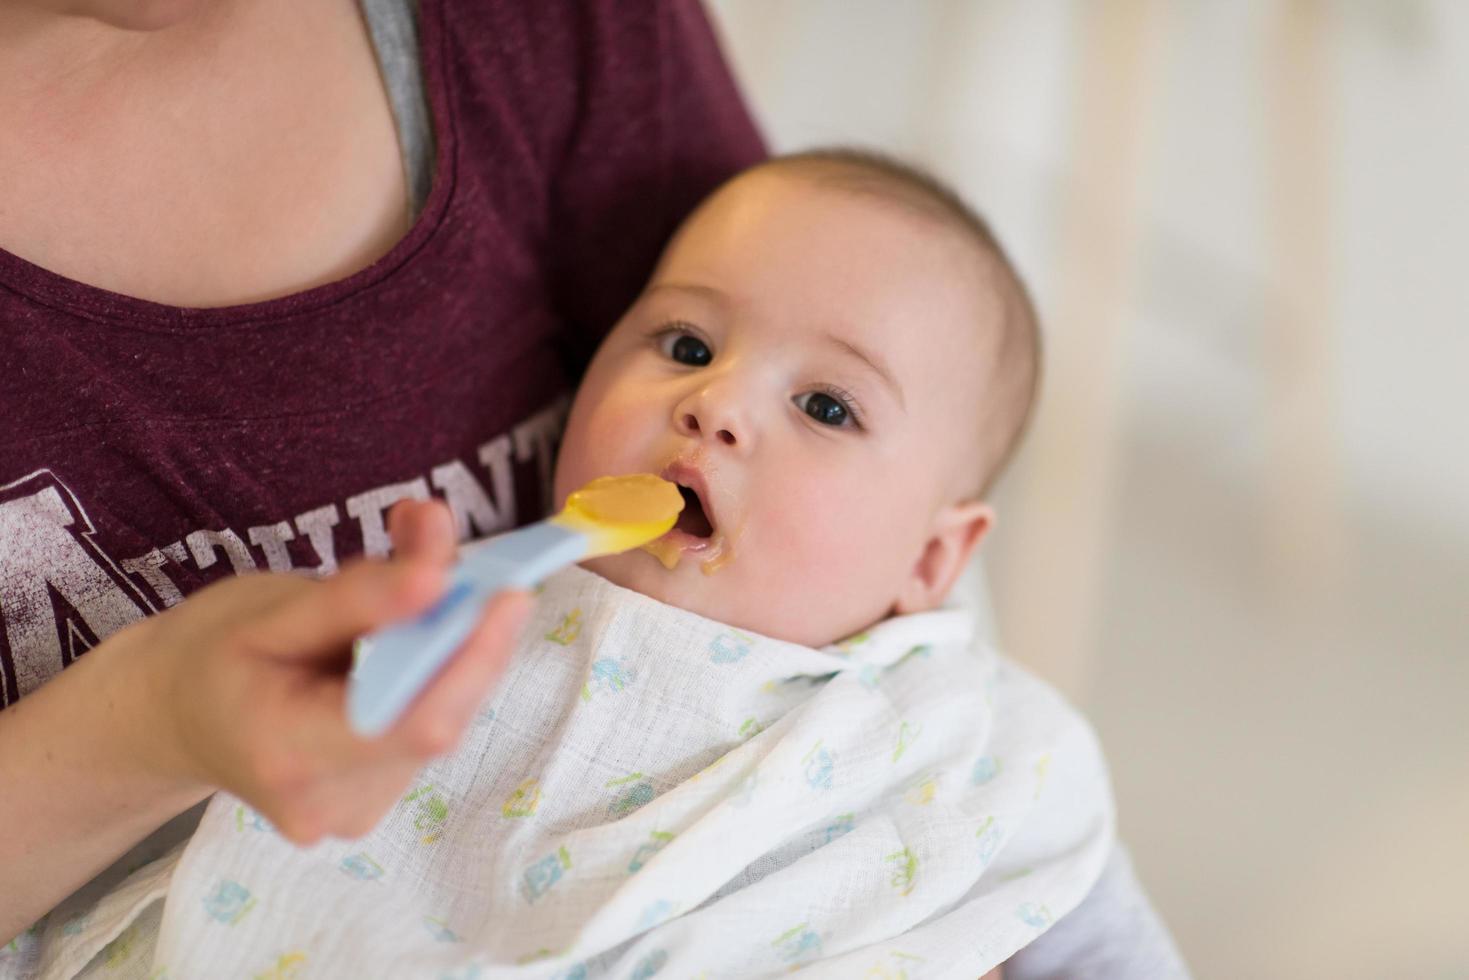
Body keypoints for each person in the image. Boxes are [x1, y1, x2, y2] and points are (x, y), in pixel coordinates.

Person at [0, 1, 1187, 977]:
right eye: (681, 343)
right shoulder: (454, 646)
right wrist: (152, 721)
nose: (714, 402)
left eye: (824, 406)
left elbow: (1078, 926)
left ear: (932, 560)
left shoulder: (958, 733)